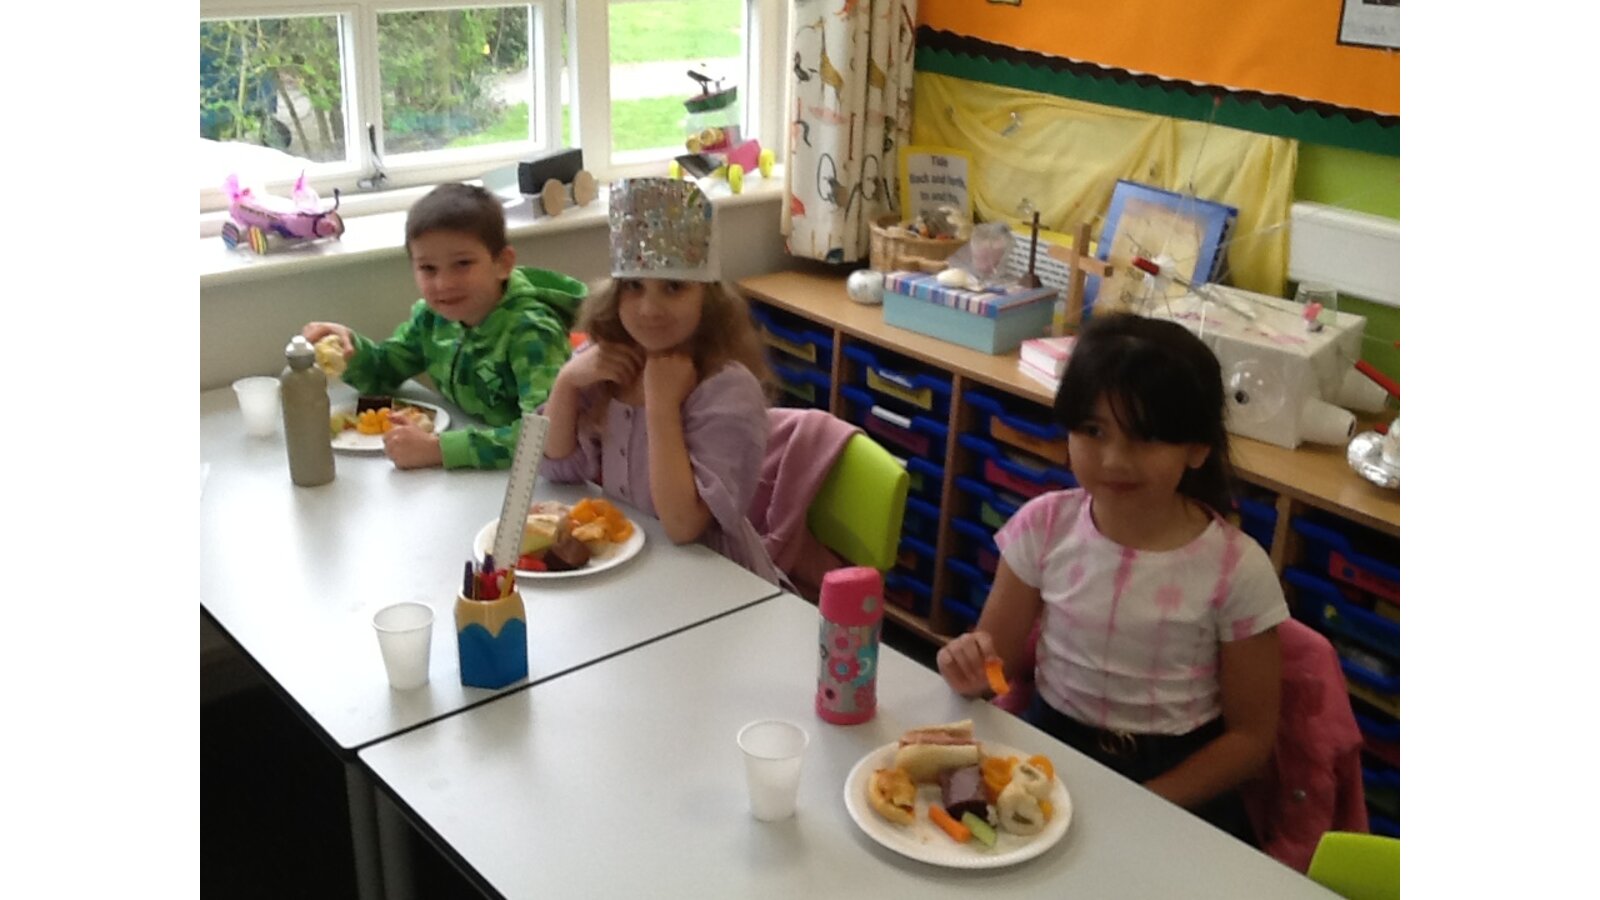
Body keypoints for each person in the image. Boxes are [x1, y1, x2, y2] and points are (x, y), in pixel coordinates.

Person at [937, 313, 1287, 844]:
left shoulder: (1237, 568)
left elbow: (1250, 740)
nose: (1114, 459)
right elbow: (996, 670)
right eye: (1093, 431)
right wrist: (968, 670)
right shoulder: (1043, 527)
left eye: (1145, 437)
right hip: (1050, 751)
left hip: (1177, 779)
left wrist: (1145, 802)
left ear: (1197, 448)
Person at [539, 178, 782, 584]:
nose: (650, 309)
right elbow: (554, 469)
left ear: (707, 296)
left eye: (673, 287)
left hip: (715, 582)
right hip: (631, 570)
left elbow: (684, 526)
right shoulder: (609, 360)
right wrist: (566, 383)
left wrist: (663, 406)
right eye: (634, 286)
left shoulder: (727, 391)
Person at [303, 183, 586, 470]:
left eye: (463, 264)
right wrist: (349, 349)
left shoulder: (532, 333)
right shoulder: (431, 319)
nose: (444, 283)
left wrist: (439, 450)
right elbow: (382, 373)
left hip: (533, 480)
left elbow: (543, 436)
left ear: (502, 264)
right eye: (428, 268)